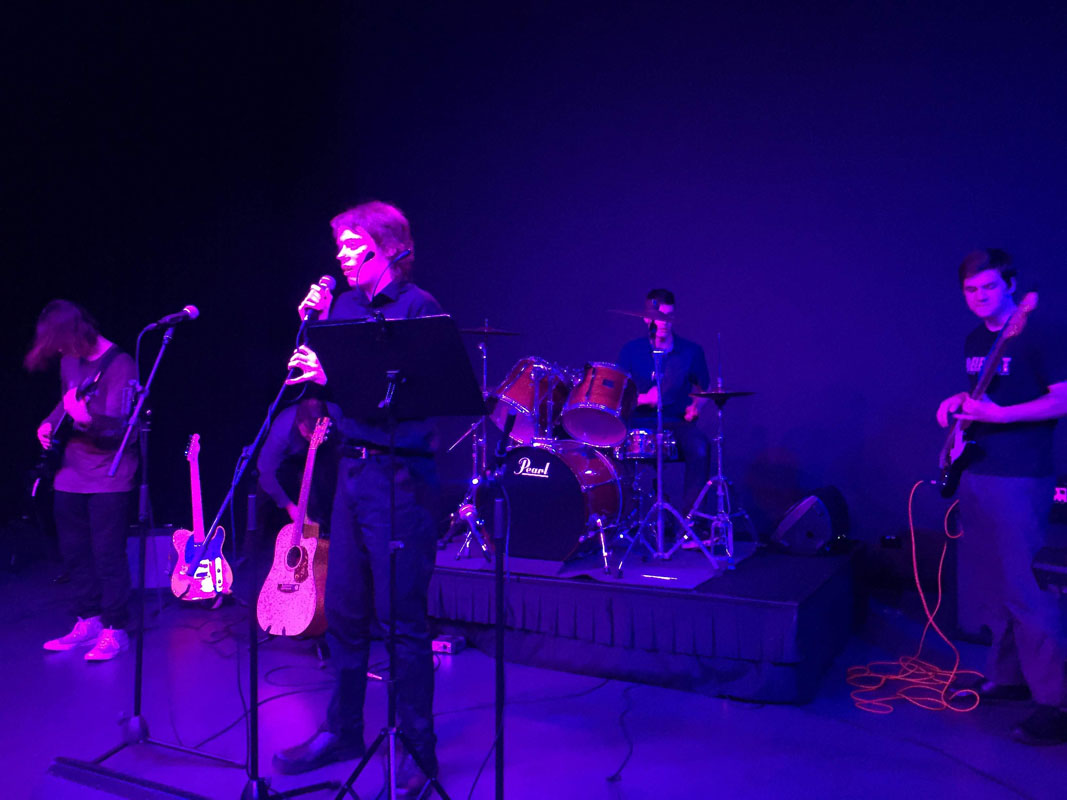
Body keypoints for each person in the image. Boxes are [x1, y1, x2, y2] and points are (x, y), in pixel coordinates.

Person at [273, 201, 442, 795]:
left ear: (388, 248)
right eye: (339, 245)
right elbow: (324, 400)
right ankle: (343, 731)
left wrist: (336, 377)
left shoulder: (418, 309)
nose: (341, 255)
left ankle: (419, 752)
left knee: (401, 620)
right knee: (343, 611)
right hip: (351, 471)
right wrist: (312, 338)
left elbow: (416, 400)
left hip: (400, 477)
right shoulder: (342, 307)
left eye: (352, 244)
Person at [936, 249, 1067, 744]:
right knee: (997, 586)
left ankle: (1057, 702)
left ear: (1011, 285)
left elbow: (1063, 398)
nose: (980, 296)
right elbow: (986, 395)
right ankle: (1010, 678)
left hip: (1020, 476)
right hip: (979, 471)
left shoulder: (1041, 332)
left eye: (989, 286)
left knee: (1030, 591)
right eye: (971, 289)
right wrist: (959, 402)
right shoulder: (976, 339)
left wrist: (1003, 417)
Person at [27, 300, 137, 661]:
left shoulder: (120, 364)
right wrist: (49, 422)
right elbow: (66, 403)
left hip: (109, 475)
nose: (60, 351)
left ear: (77, 333)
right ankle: (88, 620)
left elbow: (122, 430)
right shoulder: (69, 361)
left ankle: (115, 628)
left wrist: (86, 419)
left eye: (62, 342)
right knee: (75, 553)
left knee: (107, 555)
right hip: (69, 474)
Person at [617, 289, 712, 536]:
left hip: (676, 421)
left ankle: (693, 523)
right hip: (638, 420)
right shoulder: (631, 350)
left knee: (700, 447)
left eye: (669, 316)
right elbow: (619, 394)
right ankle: (625, 519)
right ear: (646, 318)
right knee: (614, 444)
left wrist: (695, 407)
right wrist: (644, 399)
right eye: (658, 317)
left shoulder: (690, 351)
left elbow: (704, 389)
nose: (664, 322)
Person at [254, 395, 340, 547]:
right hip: (285, 467)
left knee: (316, 502)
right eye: (308, 433)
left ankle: (314, 546)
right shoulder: (282, 429)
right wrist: (289, 506)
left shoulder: (335, 414)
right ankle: (255, 552)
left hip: (317, 462)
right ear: (299, 424)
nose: (311, 438)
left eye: (315, 434)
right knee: (263, 501)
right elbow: (266, 472)